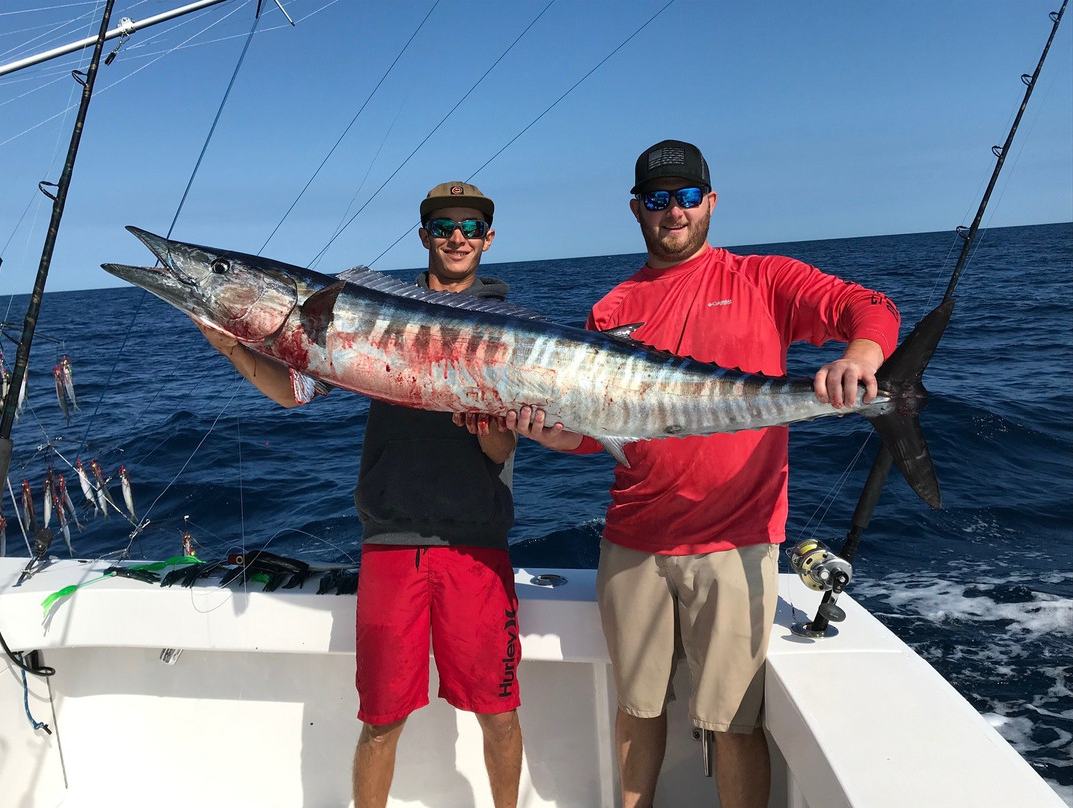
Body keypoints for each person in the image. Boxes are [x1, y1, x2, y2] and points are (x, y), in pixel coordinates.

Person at [507, 140, 901, 808]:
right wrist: (552, 435)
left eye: (687, 197)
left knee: (733, 725)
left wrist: (862, 357)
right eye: (658, 199)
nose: (674, 212)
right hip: (633, 542)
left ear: (710, 202)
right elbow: (598, 431)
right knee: (637, 709)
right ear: (637, 209)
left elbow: (869, 307)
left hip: (736, 543)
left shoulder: (765, 280)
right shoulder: (610, 309)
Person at [194, 181, 524, 808]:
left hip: (476, 545)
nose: (457, 237)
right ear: (424, 234)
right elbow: (297, 391)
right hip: (391, 544)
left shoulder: (506, 325)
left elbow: (501, 453)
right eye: (443, 226)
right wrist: (234, 347)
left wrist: (495, 434)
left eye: (471, 227)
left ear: (488, 237)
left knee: (498, 715)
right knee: (380, 722)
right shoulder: (367, 313)